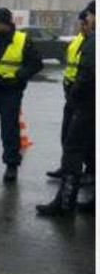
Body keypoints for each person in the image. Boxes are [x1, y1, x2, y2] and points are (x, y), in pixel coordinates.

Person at [37, 0, 95, 216]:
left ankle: (65, 203)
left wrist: (75, 96)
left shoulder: (93, 41)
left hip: (87, 105)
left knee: (73, 150)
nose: (87, 21)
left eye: (89, 16)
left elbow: (88, 75)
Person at [0, 8, 43, 181]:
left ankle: (11, 165)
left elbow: (36, 64)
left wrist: (19, 76)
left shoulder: (22, 40)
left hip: (11, 90)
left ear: (6, 23)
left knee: (10, 128)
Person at [46, 11, 89, 179]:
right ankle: (67, 167)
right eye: (80, 23)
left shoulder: (92, 43)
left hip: (84, 95)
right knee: (68, 134)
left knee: (81, 137)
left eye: (83, 23)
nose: (81, 27)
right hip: (71, 93)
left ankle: (89, 170)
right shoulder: (78, 40)